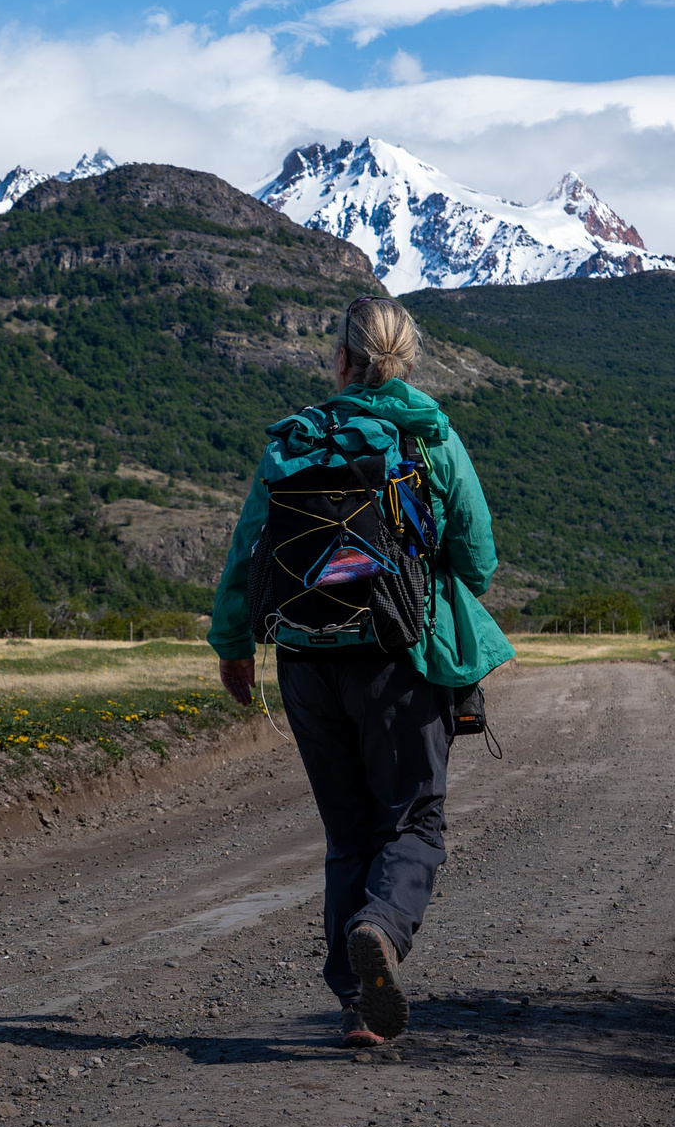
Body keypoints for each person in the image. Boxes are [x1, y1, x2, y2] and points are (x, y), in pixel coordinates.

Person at [208, 294, 514, 1048]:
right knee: (412, 820)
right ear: (407, 361)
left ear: (341, 359)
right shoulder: (430, 438)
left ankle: (355, 1006)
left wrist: (233, 646)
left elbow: (247, 553)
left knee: (347, 833)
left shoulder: (295, 440)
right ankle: (381, 925)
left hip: (305, 663)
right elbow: (478, 561)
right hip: (397, 658)